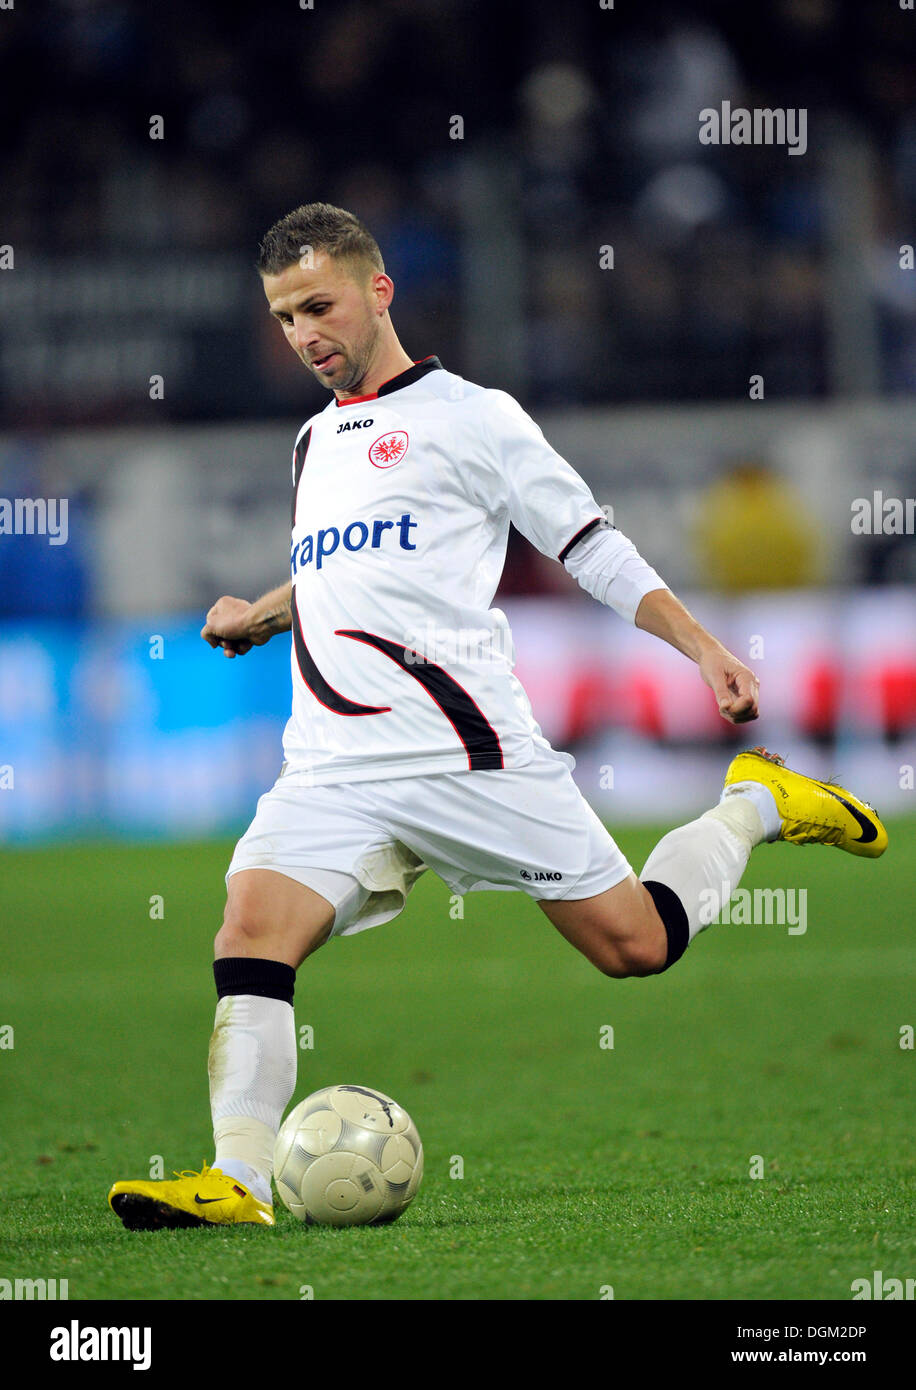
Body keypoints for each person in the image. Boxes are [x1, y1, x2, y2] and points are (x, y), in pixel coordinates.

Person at [108, 204, 887, 1230]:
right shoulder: (310, 443)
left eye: (319, 305)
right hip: (334, 763)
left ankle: (751, 803)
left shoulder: (476, 416)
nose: (304, 334)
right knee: (250, 927)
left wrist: (701, 648)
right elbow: (359, 563)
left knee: (634, 945)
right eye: (285, 316)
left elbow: (589, 544)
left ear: (377, 290)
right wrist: (264, 611)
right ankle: (238, 1180)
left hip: (468, 752)